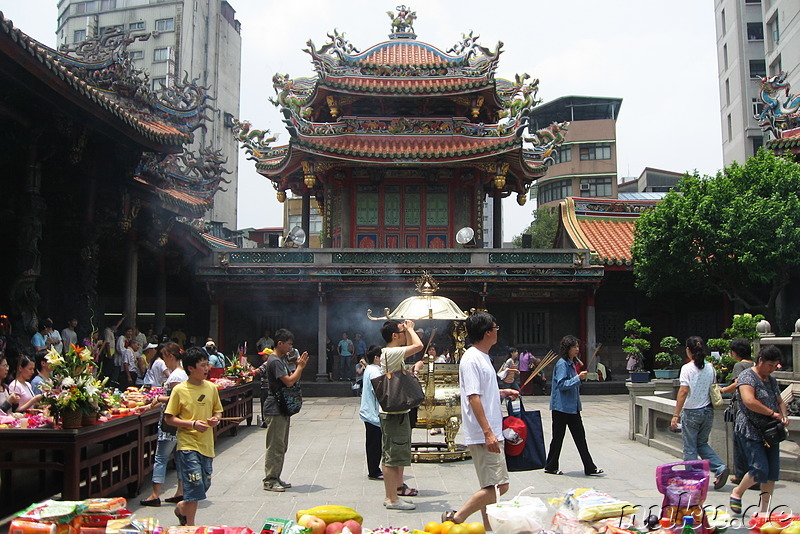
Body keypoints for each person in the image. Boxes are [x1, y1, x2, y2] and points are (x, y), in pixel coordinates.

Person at [441, 312, 519, 529]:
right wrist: (487, 432)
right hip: (485, 432)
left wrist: (502, 392)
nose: (497, 332)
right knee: (500, 486)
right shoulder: (472, 358)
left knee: (490, 485)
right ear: (487, 333)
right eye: (495, 328)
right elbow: (473, 397)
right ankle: (456, 518)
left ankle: (488, 528)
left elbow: (483, 392)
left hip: (491, 428)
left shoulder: (483, 357)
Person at [164, 347, 222, 526]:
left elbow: (218, 411)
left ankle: (181, 507)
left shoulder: (211, 388)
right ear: (190, 368)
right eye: (202, 365)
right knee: (194, 484)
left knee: (204, 484)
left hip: (207, 445)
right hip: (187, 444)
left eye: (207, 365)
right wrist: (192, 424)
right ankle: (190, 526)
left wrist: (215, 420)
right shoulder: (180, 390)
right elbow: (169, 418)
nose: (207, 369)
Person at [729, 345, 790, 514]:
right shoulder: (747, 376)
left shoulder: (771, 380)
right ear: (761, 360)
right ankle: (737, 492)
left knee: (771, 472)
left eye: (775, 366)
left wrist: (783, 415)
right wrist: (773, 413)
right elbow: (749, 401)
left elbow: (780, 401)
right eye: (770, 365)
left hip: (770, 432)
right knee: (760, 468)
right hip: (751, 428)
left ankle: (764, 511)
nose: (771, 369)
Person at [670, 336, 729, 489]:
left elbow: (683, 392)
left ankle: (692, 479)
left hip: (692, 412)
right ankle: (719, 467)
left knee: (690, 447)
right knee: (701, 443)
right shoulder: (710, 367)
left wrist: (676, 414)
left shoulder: (687, 368)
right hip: (708, 411)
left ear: (688, 350)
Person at [254, 328, 309, 492]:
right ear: (280, 343)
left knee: (281, 444)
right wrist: (300, 367)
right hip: (275, 407)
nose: (290, 348)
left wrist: (298, 368)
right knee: (275, 445)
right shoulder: (276, 361)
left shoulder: (281, 359)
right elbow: (289, 381)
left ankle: (276, 476)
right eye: (289, 344)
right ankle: (270, 479)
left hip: (281, 407)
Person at [378, 319, 423, 510]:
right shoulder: (391, 352)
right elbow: (419, 345)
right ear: (395, 336)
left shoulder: (391, 354)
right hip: (393, 413)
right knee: (391, 456)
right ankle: (392, 499)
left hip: (396, 411)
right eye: (402, 332)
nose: (405, 334)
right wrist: (411, 329)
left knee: (394, 454)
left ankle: (393, 495)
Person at [544, 335, 603, 476]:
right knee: (558, 437)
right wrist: (578, 378)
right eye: (574, 347)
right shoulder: (562, 364)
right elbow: (562, 384)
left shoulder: (571, 363)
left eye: (577, 346)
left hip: (572, 407)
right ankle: (551, 466)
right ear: (567, 349)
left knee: (580, 437)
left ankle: (590, 467)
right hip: (561, 408)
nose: (577, 349)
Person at [140, 342, 187, 506]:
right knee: (180, 458)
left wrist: (158, 398)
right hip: (177, 423)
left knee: (160, 458)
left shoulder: (175, 376)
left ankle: (155, 494)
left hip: (170, 423)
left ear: (171, 356)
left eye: (164, 356)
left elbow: (177, 399)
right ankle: (180, 491)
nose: (163, 361)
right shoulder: (182, 374)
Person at [719, 338, 755, 484]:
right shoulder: (755, 364)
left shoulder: (739, 365)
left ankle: (741, 474)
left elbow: (737, 383)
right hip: (755, 408)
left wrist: (722, 390)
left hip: (742, 406)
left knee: (739, 441)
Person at [359, 345, 384, 481]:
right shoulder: (374, 371)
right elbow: (379, 391)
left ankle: (374, 468)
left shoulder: (370, 368)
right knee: (375, 443)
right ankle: (374, 470)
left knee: (372, 442)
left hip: (368, 411)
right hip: (373, 412)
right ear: (376, 357)